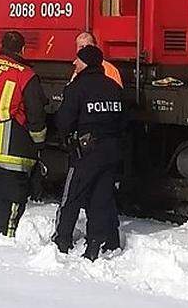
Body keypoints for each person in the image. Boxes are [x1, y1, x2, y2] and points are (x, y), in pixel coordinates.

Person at [0, 31, 48, 237]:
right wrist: (39, 143)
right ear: (22, 49)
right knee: (9, 203)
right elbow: (36, 114)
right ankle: (1, 241)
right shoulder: (25, 74)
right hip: (14, 152)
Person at [53, 44, 126, 260]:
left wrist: (67, 138)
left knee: (72, 196)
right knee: (101, 198)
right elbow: (124, 121)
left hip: (86, 152)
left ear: (85, 62)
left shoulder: (77, 87)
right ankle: (97, 243)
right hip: (111, 150)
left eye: (78, 59)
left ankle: (62, 240)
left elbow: (64, 121)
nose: (74, 63)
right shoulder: (114, 88)